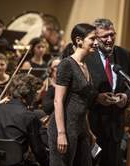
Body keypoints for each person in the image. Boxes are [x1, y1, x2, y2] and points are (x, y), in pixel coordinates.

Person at [85, 18, 130, 166]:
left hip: (115, 126)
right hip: (93, 124)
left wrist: (125, 97)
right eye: (105, 36)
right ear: (95, 37)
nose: (109, 40)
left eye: (112, 35)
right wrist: (96, 98)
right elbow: (79, 88)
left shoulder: (124, 55)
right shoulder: (88, 55)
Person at [47, 23, 98, 166]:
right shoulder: (66, 64)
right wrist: (61, 133)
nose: (96, 42)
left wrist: (88, 131)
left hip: (80, 126)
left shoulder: (86, 65)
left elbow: (82, 102)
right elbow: (58, 101)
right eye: (92, 38)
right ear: (79, 40)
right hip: (65, 127)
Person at [0, 73, 49, 166]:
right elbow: (38, 151)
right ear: (29, 94)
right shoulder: (29, 116)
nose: (36, 96)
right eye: (35, 92)